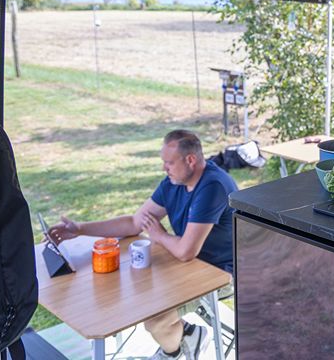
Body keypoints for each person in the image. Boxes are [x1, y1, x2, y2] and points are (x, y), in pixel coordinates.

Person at [49, 129, 238, 360]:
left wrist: (159, 236)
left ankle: (175, 351)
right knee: (135, 297)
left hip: (220, 272)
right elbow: (133, 223)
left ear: (190, 160)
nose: (164, 168)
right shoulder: (174, 182)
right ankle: (187, 336)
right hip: (186, 265)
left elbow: (186, 251)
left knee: (155, 318)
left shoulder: (212, 187)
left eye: (169, 162)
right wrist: (79, 230)